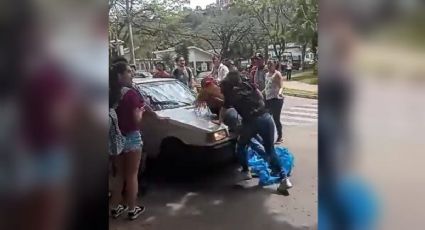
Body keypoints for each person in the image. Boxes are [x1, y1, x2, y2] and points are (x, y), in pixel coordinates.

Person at [219, 71, 292, 193]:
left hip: (251, 122)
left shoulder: (230, 93)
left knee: (241, 146)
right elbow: (260, 97)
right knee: (270, 150)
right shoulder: (249, 85)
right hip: (266, 117)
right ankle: (284, 179)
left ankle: (246, 171)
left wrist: (220, 121)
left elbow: (224, 109)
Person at [109, 61, 146, 220]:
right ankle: (132, 208)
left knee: (119, 175)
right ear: (120, 75)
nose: (131, 74)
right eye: (129, 72)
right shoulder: (131, 94)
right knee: (132, 175)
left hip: (115, 138)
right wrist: (142, 111)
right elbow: (137, 120)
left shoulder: (110, 94)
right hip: (131, 138)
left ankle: (115, 206)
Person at [264, 60, 285, 143]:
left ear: (274, 65)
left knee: (276, 118)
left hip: (276, 99)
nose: (269, 66)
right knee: (267, 118)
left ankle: (280, 137)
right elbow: (267, 87)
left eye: (271, 64)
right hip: (268, 99)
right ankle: (270, 136)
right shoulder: (266, 74)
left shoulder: (277, 74)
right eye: (268, 64)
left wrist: (280, 93)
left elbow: (281, 86)